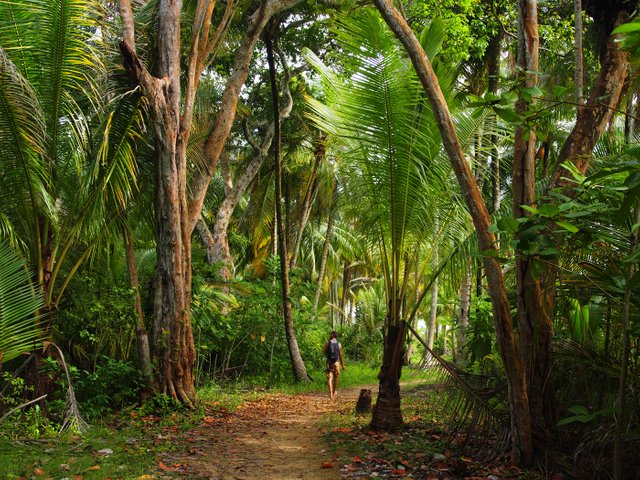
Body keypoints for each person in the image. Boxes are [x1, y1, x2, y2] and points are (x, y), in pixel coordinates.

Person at [324, 331, 345, 399]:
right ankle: (334, 392)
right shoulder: (339, 344)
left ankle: (331, 395)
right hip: (336, 362)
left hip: (329, 362)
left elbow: (324, 352)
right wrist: (343, 365)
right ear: (336, 336)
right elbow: (340, 355)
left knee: (330, 378)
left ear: (331, 336)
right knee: (336, 378)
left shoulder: (327, 342)